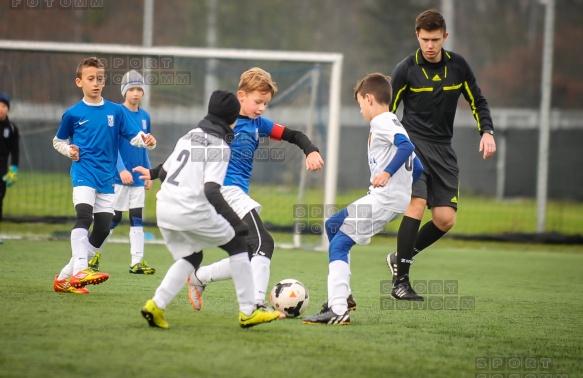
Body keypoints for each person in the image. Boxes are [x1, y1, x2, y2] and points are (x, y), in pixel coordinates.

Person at [182, 67, 325, 312]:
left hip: (234, 195)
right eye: (257, 101)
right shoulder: (223, 124)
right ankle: (255, 305)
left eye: (266, 103)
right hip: (223, 192)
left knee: (248, 254)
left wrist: (311, 150)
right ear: (241, 95)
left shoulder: (259, 124)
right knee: (263, 243)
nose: (261, 108)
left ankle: (199, 277)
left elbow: (295, 135)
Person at [140, 90, 284, 329]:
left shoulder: (189, 136)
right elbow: (211, 191)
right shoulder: (219, 146)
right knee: (239, 244)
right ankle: (249, 311)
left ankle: (156, 305)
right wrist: (236, 224)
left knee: (193, 256)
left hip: (163, 207)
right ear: (232, 119)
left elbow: (164, 172)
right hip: (190, 210)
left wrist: (157, 178)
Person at [386, 9, 496, 298]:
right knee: (417, 204)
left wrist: (487, 131)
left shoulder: (459, 67)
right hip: (413, 147)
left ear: (445, 36)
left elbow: (478, 101)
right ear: (417, 37)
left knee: (445, 219)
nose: (430, 45)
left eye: (435, 39)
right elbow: (387, 112)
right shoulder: (405, 69)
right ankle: (401, 283)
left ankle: (399, 258)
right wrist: (384, 147)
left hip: (444, 150)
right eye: (425, 39)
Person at [303, 73, 423, 325]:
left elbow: (407, 148)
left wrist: (388, 174)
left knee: (339, 244)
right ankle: (344, 296)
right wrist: (402, 186)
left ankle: (337, 310)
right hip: (388, 198)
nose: (360, 111)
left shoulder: (381, 122)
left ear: (369, 99)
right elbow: (418, 166)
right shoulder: (394, 122)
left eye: (359, 104)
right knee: (333, 225)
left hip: (383, 199)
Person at [52, 57, 157, 294]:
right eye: (90, 79)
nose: (96, 83)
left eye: (99, 78)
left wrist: (147, 142)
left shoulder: (116, 111)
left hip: (106, 179)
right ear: (79, 82)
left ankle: (64, 277)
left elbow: (134, 136)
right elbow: (58, 140)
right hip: (83, 173)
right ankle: (81, 269)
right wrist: (69, 150)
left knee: (101, 229)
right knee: (84, 217)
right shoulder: (73, 113)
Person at [87, 70, 155, 275]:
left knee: (137, 218)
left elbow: (144, 145)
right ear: (124, 91)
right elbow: (112, 145)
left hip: (137, 179)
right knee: (112, 219)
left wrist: (149, 172)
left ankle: (137, 262)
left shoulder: (145, 116)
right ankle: (91, 255)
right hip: (118, 178)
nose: (135, 93)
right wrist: (122, 169)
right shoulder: (116, 112)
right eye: (131, 89)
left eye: (139, 89)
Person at [0, 92, 19, 245]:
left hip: (2, 168)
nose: (1, 108)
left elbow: (15, 150)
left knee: (0, 199)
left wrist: (13, 169)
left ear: (8, 108)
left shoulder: (12, 128)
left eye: (4, 105)